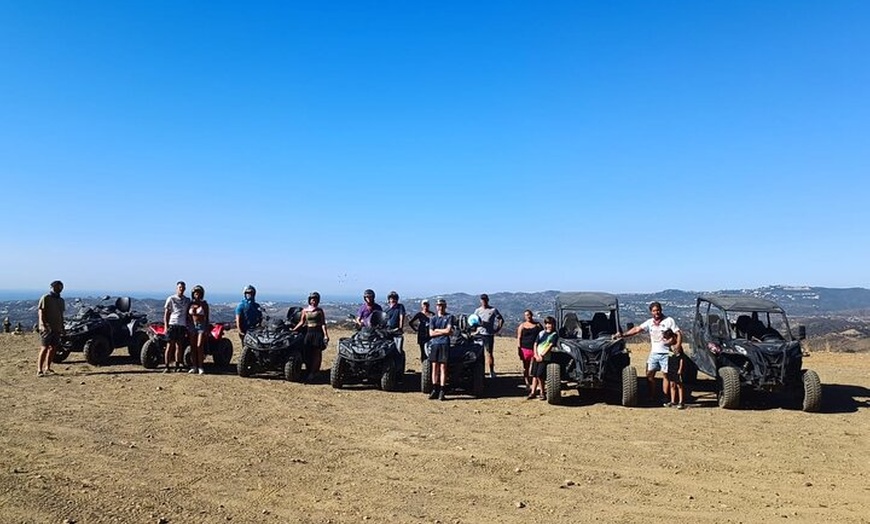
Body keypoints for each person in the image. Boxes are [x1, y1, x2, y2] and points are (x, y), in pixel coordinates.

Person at [614, 301, 681, 403]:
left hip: (666, 353)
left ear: (661, 310)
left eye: (658, 310)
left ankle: (664, 397)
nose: (656, 312)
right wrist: (623, 335)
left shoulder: (669, 320)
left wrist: (678, 345)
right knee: (649, 374)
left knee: (666, 375)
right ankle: (651, 395)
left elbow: (678, 333)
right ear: (651, 312)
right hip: (654, 353)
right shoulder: (650, 323)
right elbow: (637, 329)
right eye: (654, 311)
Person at [292, 291, 329, 381]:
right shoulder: (305, 311)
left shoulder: (320, 311)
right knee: (307, 352)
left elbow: (323, 323)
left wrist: (325, 335)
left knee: (317, 353)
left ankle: (313, 372)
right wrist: (293, 330)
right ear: (310, 300)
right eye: (312, 299)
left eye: (316, 299)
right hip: (309, 332)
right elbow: (302, 322)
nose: (314, 301)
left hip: (317, 332)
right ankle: (309, 370)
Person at [36, 280, 65, 376]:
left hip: (56, 328)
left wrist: (62, 327)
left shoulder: (61, 300)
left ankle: (47, 367)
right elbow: (41, 312)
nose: (58, 289)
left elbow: (61, 315)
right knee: (44, 348)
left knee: (53, 348)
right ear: (52, 287)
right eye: (57, 287)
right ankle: (39, 370)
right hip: (47, 328)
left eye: (60, 287)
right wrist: (43, 325)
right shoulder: (46, 298)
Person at [427, 298, 454, 401]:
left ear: (445, 306)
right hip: (435, 344)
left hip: (444, 344)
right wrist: (444, 332)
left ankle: (442, 390)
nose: (440, 307)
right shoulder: (433, 318)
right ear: (436, 306)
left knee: (443, 368)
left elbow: (448, 330)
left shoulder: (449, 317)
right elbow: (431, 333)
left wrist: (437, 330)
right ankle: (434, 388)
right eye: (439, 305)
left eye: (442, 305)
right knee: (434, 368)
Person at [474, 293, 504, 379]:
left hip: (488, 335)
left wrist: (497, 329)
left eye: (485, 299)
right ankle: (480, 372)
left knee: (489, 353)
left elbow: (501, 319)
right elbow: (473, 321)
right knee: (478, 354)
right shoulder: (477, 311)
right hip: (479, 334)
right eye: (482, 300)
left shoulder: (493, 310)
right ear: (480, 301)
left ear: (488, 300)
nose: (484, 301)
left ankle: (491, 371)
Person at [163, 281, 191, 373]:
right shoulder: (171, 299)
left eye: (183, 288)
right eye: (180, 287)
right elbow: (166, 314)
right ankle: (167, 366)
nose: (181, 289)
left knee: (179, 346)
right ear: (177, 288)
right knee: (169, 346)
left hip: (182, 325)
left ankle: (177, 365)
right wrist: (166, 326)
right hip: (172, 324)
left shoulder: (187, 300)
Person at [529, 316, 558, 400]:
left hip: (545, 358)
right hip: (537, 356)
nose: (549, 325)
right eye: (547, 324)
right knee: (534, 375)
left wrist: (542, 355)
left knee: (540, 375)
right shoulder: (541, 333)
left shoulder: (554, 335)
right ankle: (533, 392)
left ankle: (542, 392)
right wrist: (535, 354)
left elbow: (550, 345)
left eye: (550, 324)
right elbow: (535, 344)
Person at [516, 309, 543, 390]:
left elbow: (542, 335)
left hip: (536, 349)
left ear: (532, 315)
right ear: (525, 316)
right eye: (526, 315)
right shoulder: (522, 326)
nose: (528, 316)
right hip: (525, 349)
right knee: (526, 367)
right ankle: (527, 382)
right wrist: (519, 349)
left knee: (535, 367)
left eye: (529, 314)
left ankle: (536, 383)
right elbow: (519, 338)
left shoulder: (538, 325)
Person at [187, 285, 209, 375]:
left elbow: (207, 317)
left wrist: (206, 328)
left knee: (199, 346)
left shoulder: (204, 304)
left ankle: (200, 366)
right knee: (192, 346)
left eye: (199, 293)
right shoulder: (190, 304)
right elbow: (187, 315)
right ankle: (194, 366)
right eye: (196, 293)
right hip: (192, 326)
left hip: (201, 326)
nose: (197, 295)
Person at [662, 329, 687, 409]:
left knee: (679, 385)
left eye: (669, 338)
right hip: (671, 367)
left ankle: (681, 401)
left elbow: (681, 359)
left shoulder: (678, 347)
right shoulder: (670, 347)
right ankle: (673, 401)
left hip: (677, 368)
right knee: (672, 384)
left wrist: (680, 369)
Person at [384, 291, 406, 376]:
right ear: (389, 300)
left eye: (394, 298)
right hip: (387, 333)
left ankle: (399, 371)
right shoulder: (386, 310)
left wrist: (400, 327)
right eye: (391, 298)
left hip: (397, 333)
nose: (393, 300)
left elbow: (401, 317)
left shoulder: (400, 307)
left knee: (398, 351)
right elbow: (383, 320)